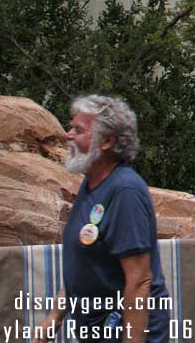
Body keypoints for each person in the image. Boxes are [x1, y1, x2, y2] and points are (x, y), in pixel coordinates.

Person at [35, 95, 170, 343]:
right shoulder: (91, 185)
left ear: (107, 141)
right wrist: (54, 317)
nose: (68, 135)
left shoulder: (125, 192)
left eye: (79, 129)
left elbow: (140, 280)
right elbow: (83, 264)